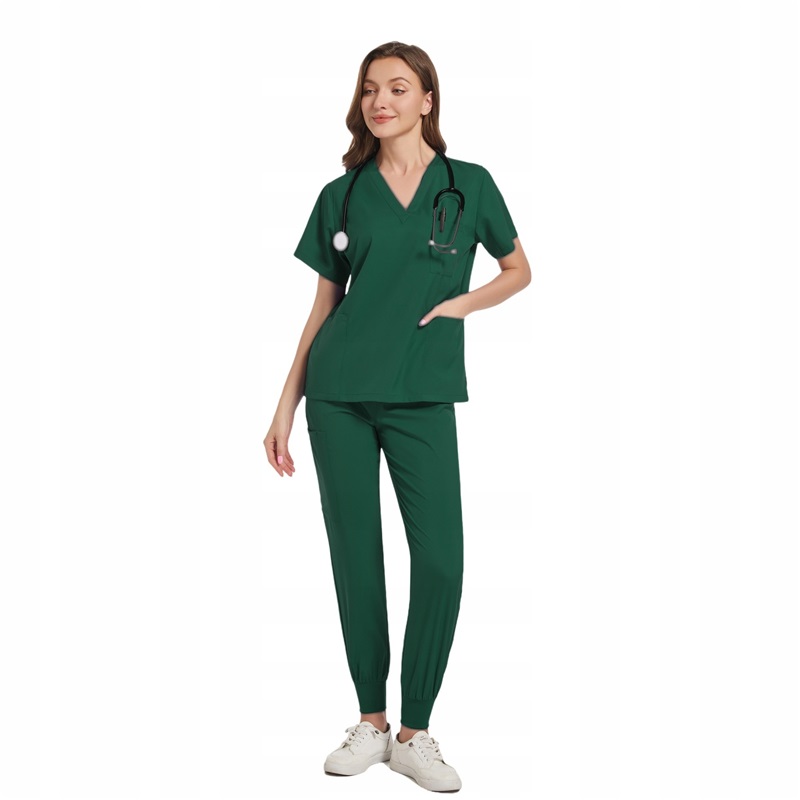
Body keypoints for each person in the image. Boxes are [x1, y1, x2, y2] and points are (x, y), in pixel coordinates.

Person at [264, 41, 530, 793]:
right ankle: (371, 722)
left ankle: (416, 731)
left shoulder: (469, 184)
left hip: (422, 393)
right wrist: (285, 402)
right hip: (339, 394)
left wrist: (460, 304)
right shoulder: (342, 194)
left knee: (441, 559)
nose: (380, 101)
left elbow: (518, 269)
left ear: (426, 100)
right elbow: (324, 305)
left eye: (398, 87)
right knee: (356, 558)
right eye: (370, 89)